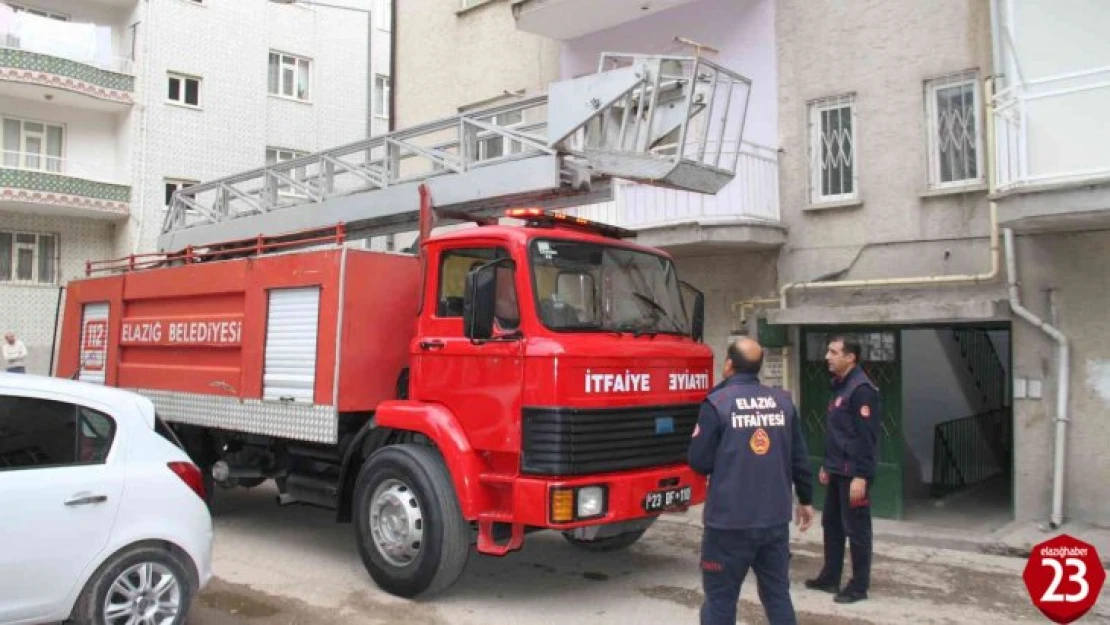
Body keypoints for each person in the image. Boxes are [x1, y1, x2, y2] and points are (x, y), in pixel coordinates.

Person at [688, 336, 815, 625]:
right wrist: (806, 500)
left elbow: (699, 461)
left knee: (720, 600)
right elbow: (800, 458)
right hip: (774, 521)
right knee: (777, 595)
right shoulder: (782, 402)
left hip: (728, 524)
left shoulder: (717, 403)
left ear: (729, 364)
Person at [805, 334, 881, 604]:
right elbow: (838, 432)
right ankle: (830, 577)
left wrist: (861, 476)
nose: (827, 357)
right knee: (832, 525)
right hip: (838, 469)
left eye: (834, 352)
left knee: (857, 529)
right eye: (828, 351)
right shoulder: (841, 386)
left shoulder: (861, 390)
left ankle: (859, 586)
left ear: (850, 357)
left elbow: (867, 438)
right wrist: (827, 464)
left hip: (853, 473)